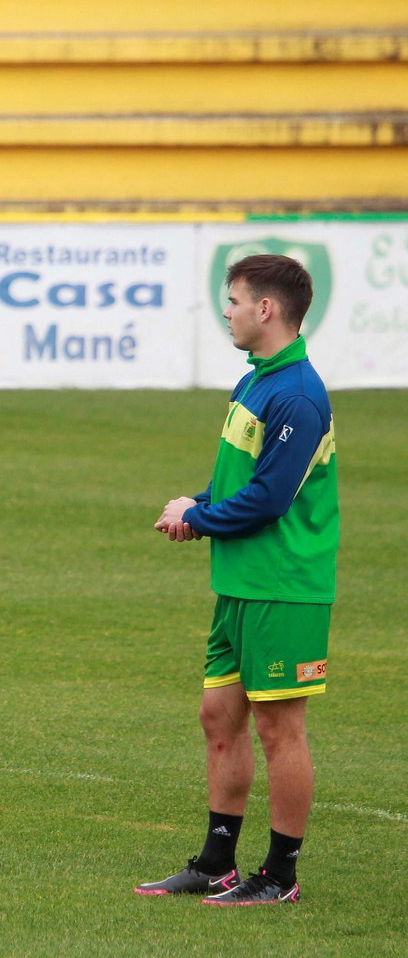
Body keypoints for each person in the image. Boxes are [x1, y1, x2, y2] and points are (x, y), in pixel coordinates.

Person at [138, 254, 338, 904]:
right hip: (240, 585)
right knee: (218, 717)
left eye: (233, 300)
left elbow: (270, 499)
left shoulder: (298, 395)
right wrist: (198, 502)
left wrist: (198, 519)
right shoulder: (255, 383)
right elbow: (238, 483)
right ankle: (216, 863)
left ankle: (281, 876)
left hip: (283, 587)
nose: (225, 310)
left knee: (281, 731)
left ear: (266, 309)